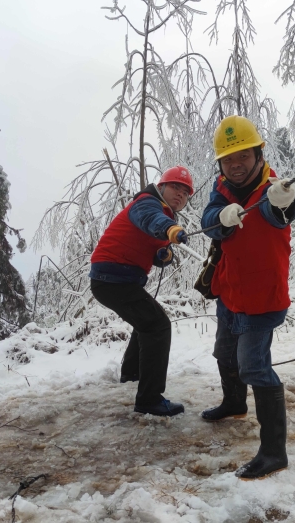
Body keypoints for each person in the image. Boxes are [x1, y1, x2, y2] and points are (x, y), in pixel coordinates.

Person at [200, 115, 295, 479]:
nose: (236, 164)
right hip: (230, 292)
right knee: (224, 353)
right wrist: (219, 216)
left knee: (253, 366)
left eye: (243, 155)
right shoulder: (222, 189)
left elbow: (283, 213)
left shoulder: (274, 189)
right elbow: (208, 220)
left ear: (259, 154)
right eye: (228, 159)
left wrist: (284, 203)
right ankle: (234, 403)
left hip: (262, 299)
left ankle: (274, 452)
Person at [89, 166, 194, 417]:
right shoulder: (146, 203)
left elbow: (152, 246)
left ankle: (132, 375)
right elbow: (150, 219)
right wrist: (169, 229)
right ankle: (149, 399)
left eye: (185, 192)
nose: (180, 194)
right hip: (113, 277)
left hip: (116, 278)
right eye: (175, 187)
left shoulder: (163, 214)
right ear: (161, 187)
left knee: (146, 323)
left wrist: (162, 255)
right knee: (158, 325)